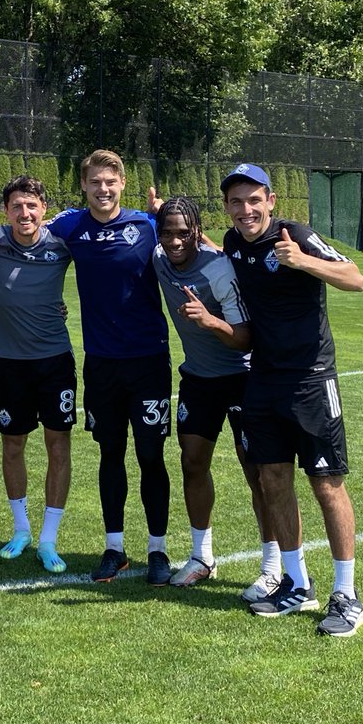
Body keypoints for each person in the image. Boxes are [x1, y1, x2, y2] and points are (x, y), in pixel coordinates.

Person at [221, 163, 363, 637]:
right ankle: (296, 583)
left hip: (310, 378)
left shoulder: (296, 234)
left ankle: (347, 596)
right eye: (236, 202)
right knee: (272, 479)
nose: (246, 210)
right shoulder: (232, 242)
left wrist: (302, 261)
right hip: (263, 378)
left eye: (253, 200)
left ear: (271, 200)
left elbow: (354, 278)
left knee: (327, 484)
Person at [47, 150, 173, 586]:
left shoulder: (147, 225)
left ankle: (158, 549)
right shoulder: (70, 226)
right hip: (101, 364)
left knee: (152, 455)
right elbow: (19, 235)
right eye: (95, 182)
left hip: (149, 361)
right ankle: (114, 547)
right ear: (84, 186)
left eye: (111, 182)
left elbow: (193, 246)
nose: (104, 189)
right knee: (110, 454)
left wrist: (167, 213)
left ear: (122, 185)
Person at [153, 196, 275, 594]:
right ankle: (202, 556)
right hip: (198, 379)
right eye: (167, 232)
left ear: (196, 233)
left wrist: (210, 321)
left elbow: (244, 339)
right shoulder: (158, 258)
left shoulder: (218, 269)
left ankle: (273, 564)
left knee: (256, 472)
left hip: (242, 378)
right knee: (192, 462)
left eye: (183, 233)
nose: (174, 242)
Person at [0, 175, 75, 573]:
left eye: (31, 205)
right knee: (12, 445)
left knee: (57, 446)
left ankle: (48, 539)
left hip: (55, 361)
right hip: (11, 363)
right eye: (17, 206)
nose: (24, 213)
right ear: (6, 210)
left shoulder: (61, 243)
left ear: (43, 209)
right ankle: (21, 529)